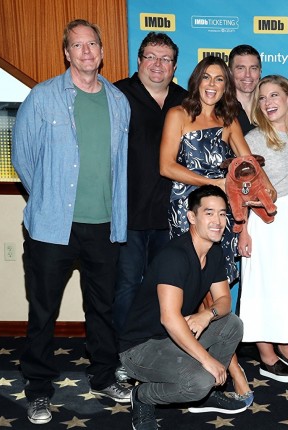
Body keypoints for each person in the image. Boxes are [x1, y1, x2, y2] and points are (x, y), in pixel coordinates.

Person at [12, 19, 131, 425]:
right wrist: (49, 200)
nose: (86, 51)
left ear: (102, 50)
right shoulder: (43, 97)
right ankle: (38, 391)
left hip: (104, 225)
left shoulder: (118, 101)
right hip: (52, 227)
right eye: (77, 45)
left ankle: (103, 377)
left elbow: (120, 166)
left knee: (102, 309)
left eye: (92, 44)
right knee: (43, 311)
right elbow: (23, 158)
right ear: (67, 52)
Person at [160, 55, 267, 407]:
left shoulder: (229, 119)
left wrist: (260, 200)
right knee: (201, 290)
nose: (212, 84)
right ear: (196, 80)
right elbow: (166, 166)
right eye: (207, 77)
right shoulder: (178, 115)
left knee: (216, 291)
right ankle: (233, 370)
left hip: (222, 214)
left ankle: (212, 366)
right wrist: (212, 183)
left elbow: (248, 170)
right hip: (188, 212)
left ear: (226, 86)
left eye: (220, 79)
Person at [119, 185, 246, 430]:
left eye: (222, 214)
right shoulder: (175, 255)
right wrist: (207, 360)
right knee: (199, 381)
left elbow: (224, 301)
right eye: (209, 213)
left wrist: (206, 315)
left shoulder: (214, 252)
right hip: (141, 347)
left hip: (175, 336)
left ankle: (206, 395)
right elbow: (169, 318)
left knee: (231, 324)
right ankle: (143, 396)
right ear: (192, 217)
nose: (218, 221)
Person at [113, 32, 187, 337]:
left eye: (166, 59)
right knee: (126, 285)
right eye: (151, 57)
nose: (158, 64)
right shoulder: (117, 94)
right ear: (139, 60)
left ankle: (156, 349)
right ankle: (124, 350)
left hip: (171, 214)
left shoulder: (185, 100)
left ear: (174, 66)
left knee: (165, 286)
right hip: (127, 213)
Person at [238, 75, 288, 383]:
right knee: (263, 288)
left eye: (274, 95)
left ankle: (287, 348)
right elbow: (241, 188)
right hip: (264, 222)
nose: (268, 102)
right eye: (263, 97)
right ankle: (267, 356)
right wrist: (243, 229)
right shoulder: (254, 140)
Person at [228, 44, 261, 135]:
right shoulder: (220, 109)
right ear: (230, 72)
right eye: (241, 68)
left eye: (253, 68)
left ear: (260, 72)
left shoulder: (269, 107)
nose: (247, 75)